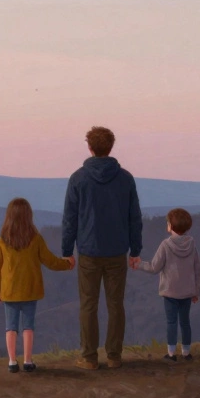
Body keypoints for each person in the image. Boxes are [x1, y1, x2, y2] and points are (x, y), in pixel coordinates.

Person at [61, 126, 142, 370]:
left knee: (88, 304)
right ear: (111, 146)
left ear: (89, 147)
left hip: (88, 251)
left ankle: (88, 357)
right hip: (117, 250)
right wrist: (135, 250)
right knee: (116, 304)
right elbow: (134, 217)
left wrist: (67, 251)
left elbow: (70, 218)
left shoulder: (78, 178)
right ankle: (114, 356)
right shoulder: (125, 178)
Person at [0, 197, 72, 373]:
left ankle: (12, 361)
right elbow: (50, 261)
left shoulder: (3, 241)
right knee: (28, 326)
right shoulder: (35, 239)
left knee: (10, 327)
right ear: (29, 216)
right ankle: (28, 361)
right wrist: (68, 264)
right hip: (30, 290)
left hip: (9, 292)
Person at [132, 208, 200, 362]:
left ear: (170, 226)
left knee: (171, 322)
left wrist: (138, 264)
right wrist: (196, 291)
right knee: (185, 322)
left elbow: (154, 267)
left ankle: (171, 354)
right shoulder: (192, 245)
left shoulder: (165, 245)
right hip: (187, 292)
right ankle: (186, 352)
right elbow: (197, 268)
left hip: (170, 292)